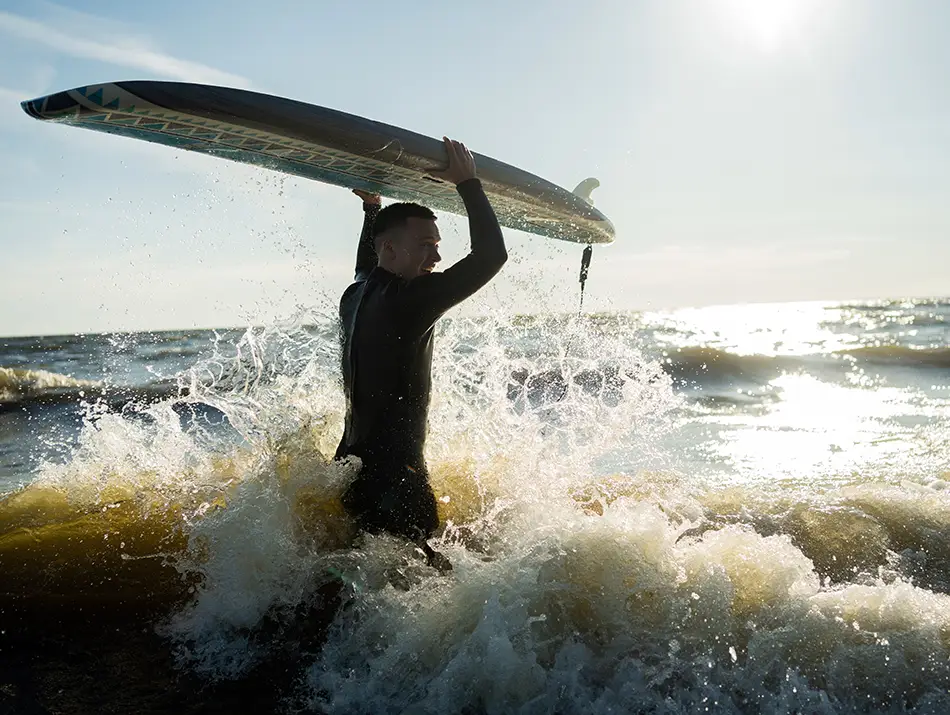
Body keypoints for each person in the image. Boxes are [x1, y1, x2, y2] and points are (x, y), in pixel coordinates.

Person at [334, 137, 508, 569]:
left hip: (350, 466)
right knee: (429, 582)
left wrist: (372, 209)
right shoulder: (409, 302)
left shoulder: (356, 294)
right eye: (426, 244)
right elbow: (491, 255)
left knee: (361, 574)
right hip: (399, 479)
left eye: (436, 243)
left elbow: (367, 261)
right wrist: (468, 183)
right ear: (391, 249)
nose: (437, 255)